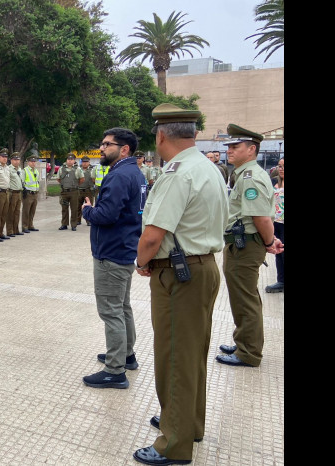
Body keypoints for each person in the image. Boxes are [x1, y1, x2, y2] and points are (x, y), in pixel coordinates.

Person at [132, 104, 229, 466]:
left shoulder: (176, 173)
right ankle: (188, 423)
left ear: (161, 135)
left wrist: (141, 262)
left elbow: (152, 237)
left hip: (179, 273)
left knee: (174, 358)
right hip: (202, 268)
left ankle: (173, 443)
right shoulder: (208, 167)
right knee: (192, 355)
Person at [80, 128, 147, 390]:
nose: (102, 148)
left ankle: (115, 370)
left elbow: (106, 216)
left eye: (107, 144)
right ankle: (125, 355)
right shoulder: (134, 173)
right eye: (102, 143)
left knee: (111, 311)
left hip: (112, 251)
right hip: (124, 248)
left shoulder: (120, 175)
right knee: (122, 307)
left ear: (125, 149)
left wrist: (88, 210)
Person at [216, 124, 283, 368]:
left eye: (235, 146)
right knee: (243, 297)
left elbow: (261, 218)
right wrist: (268, 239)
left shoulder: (250, 177)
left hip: (245, 246)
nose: (229, 151)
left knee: (245, 299)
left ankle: (248, 353)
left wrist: (268, 242)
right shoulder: (245, 174)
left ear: (251, 149)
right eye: (229, 147)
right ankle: (243, 340)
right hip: (243, 243)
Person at [265, 158, 284, 293]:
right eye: (279, 166)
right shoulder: (274, 183)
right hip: (276, 222)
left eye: (283, 166)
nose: (281, 169)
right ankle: (281, 280)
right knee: (279, 252)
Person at [56, 154, 82, 231]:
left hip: (74, 191)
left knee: (74, 209)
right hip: (64, 192)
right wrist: (64, 184)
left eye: (71, 159)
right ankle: (64, 224)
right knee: (64, 208)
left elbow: (82, 179)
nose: (69, 161)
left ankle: (74, 225)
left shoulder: (77, 169)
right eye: (68, 159)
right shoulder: (61, 168)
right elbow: (58, 179)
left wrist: (75, 185)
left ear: (74, 161)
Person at [6, 152, 24, 237]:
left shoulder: (19, 169)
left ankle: (16, 229)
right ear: (11, 160)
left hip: (19, 192)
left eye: (18, 160)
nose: (17, 161)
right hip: (12, 193)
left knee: (17, 212)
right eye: (15, 160)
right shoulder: (8, 169)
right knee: (11, 212)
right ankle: (10, 231)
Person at [21, 153, 40, 232]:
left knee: (32, 210)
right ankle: (24, 226)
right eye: (31, 161)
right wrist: (23, 191)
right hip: (28, 193)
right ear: (28, 162)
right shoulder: (25, 170)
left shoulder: (36, 171)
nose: (33, 163)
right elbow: (21, 181)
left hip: (35, 193)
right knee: (26, 211)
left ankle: (30, 225)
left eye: (34, 161)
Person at [77, 156, 95, 226]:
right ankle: (78, 220)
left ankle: (89, 220)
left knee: (89, 206)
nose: (84, 163)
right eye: (83, 162)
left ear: (89, 162)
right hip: (79, 190)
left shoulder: (92, 169)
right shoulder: (78, 169)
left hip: (89, 190)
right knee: (78, 206)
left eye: (86, 162)